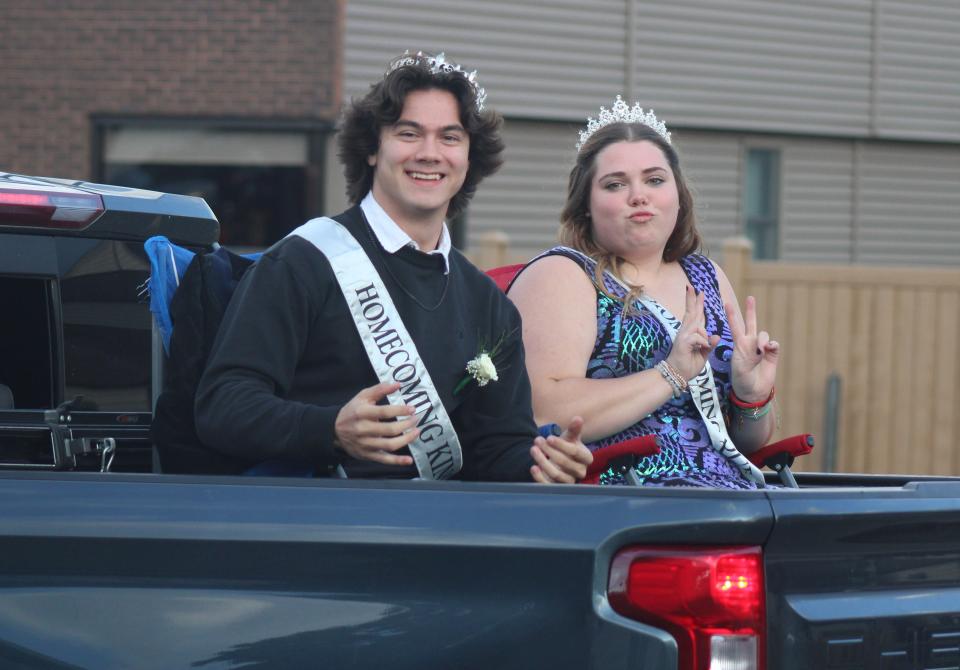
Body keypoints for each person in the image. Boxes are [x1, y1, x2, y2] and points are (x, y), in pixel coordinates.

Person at [194, 51, 591, 483]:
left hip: (433, 534)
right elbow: (222, 405)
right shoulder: (303, 261)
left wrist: (541, 465)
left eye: (450, 138)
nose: (429, 153)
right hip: (311, 522)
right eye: (408, 133)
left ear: (469, 159)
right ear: (371, 150)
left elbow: (496, 449)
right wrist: (330, 429)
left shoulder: (489, 305)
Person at [507, 97, 779, 489]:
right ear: (585, 204)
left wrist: (751, 396)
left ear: (678, 194)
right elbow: (544, 411)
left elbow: (746, 441)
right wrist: (669, 375)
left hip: (731, 496)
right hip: (627, 503)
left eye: (654, 180)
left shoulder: (707, 276)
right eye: (615, 184)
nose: (639, 196)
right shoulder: (562, 274)